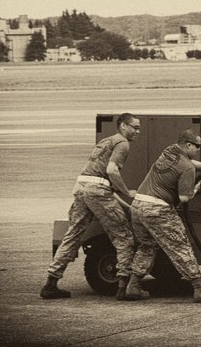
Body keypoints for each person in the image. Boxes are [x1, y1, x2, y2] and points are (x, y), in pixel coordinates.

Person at [41, 112, 141, 300]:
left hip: (81, 188)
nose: (138, 131)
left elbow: (99, 181)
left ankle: (51, 283)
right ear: (123, 126)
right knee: (124, 236)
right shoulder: (122, 143)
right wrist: (127, 193)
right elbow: (111, 172)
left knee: (73, 234)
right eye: (135, 127)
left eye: (139, 128)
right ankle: (122, 287)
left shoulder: (105, 142)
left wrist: (123, 205)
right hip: (97, 191)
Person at [123, 129, 201, 303]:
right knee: (180, 246)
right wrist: (195, 189)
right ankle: (199, 289)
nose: (198, 149)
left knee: (146, 246)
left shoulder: (169, 151)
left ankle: (133, 286)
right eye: (197, 146)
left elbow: (189, 162)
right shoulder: (187, 168)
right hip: (157, 209)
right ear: (189, 145)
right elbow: (184, 197)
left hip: (138, 206)